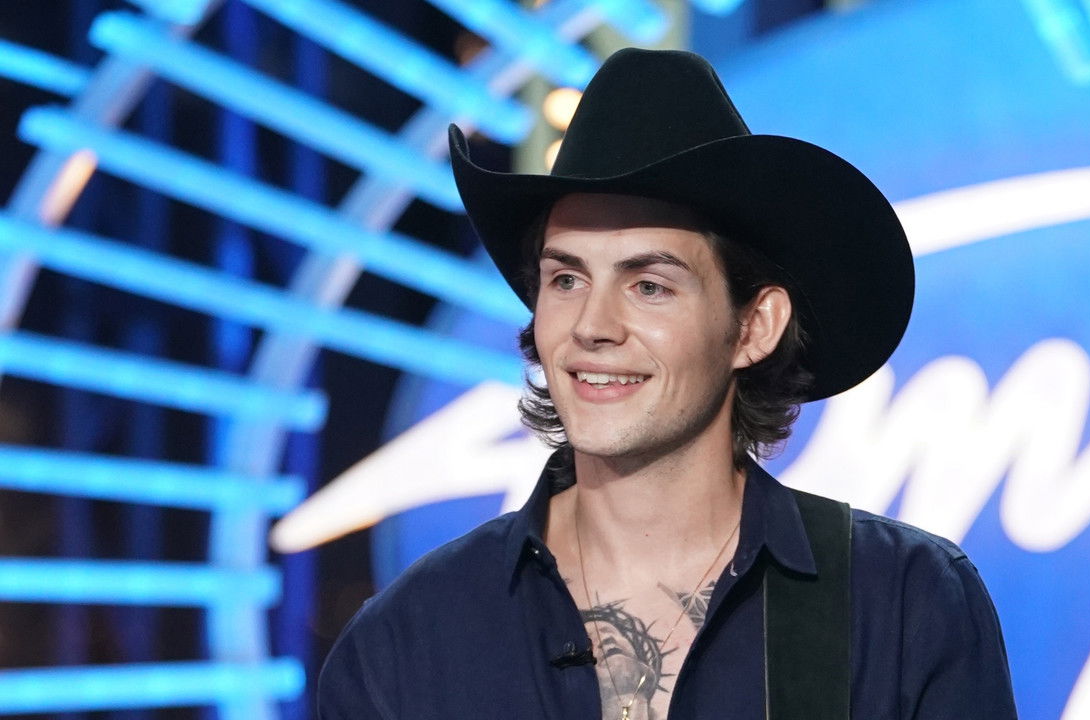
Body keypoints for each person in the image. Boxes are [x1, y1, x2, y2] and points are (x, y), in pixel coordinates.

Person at [318, 48, 1017, 720]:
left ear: (754, 326)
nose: (592, 326)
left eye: (649, 285)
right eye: (566, 279)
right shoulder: (407, 638)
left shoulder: (901, 604)